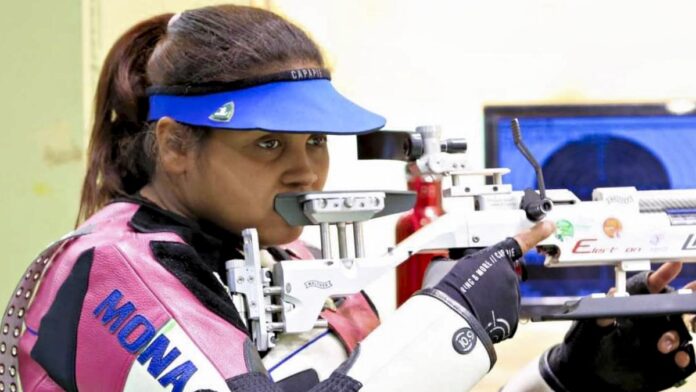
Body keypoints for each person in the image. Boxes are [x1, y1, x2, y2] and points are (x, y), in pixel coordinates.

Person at [1, 4, 692, 392]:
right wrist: (446, 323)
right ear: (177, 145)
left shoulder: (301, 261)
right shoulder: (106, 271)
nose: (306, 174)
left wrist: (567, 380)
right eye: (270, 145)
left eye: (317, 144)